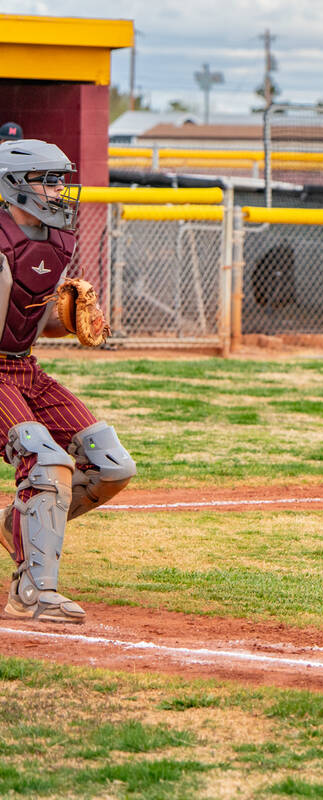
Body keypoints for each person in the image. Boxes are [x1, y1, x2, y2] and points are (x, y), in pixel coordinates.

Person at [0, 138, 137, 623]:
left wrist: (69, 318)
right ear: (16, 186)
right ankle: (33, 592)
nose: (60, 191)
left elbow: (29, 322)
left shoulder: (57, 241)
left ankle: (18, 522)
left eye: (62, 180)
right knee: (46, 463)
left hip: (23, 366)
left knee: (111, 465)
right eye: (50, 181)